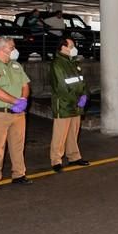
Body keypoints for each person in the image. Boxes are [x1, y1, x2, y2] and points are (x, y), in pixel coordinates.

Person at [0, 36, 32, 192]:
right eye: (12, 47)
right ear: (2, 49)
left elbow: (25, 84)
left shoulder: (16, 65)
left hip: (18, 114)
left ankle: (19, 175)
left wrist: (23, 99)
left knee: (18, 146)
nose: (14, 50)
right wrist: (16, 101)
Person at [49, 38, 90, 173]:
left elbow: (81, 81)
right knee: (60, 135)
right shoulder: (57, 64)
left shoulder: (74, 62)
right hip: (64, 105)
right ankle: (56, 160)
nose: (74, 48)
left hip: (76, 105)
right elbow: (61, 87)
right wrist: (77, 99)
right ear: (63, 48)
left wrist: (84, 94)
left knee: (73, 132)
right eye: (71, 46)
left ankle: (74, 156)